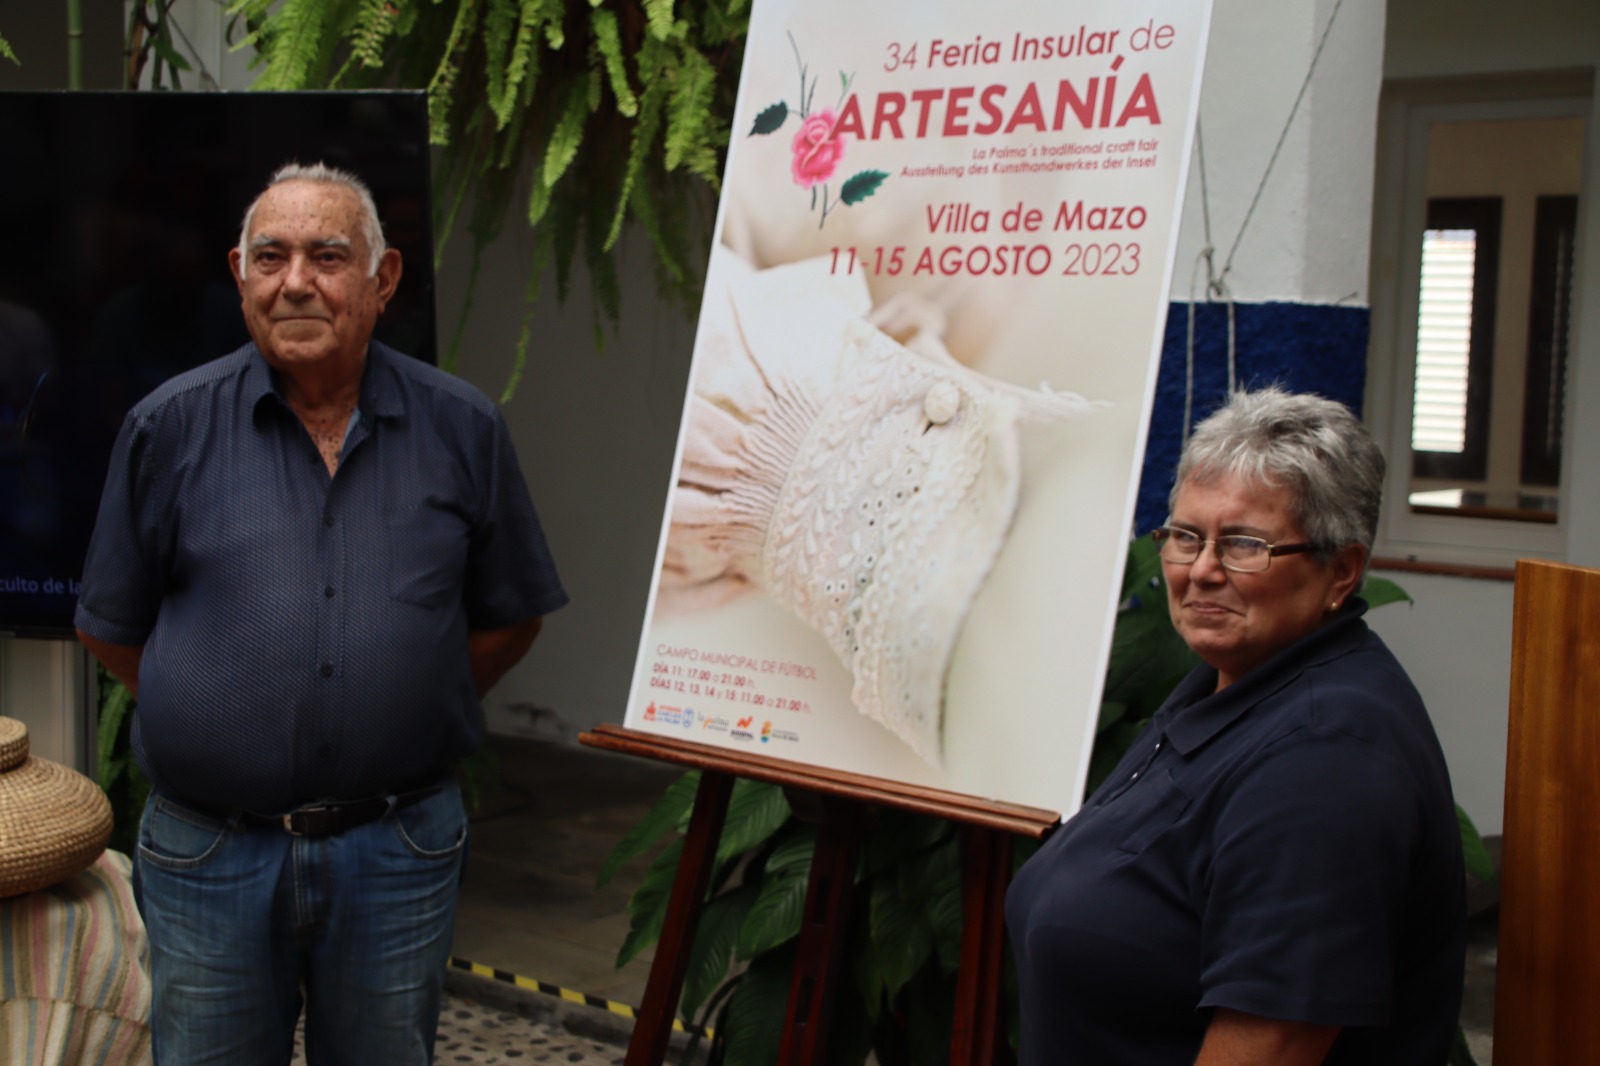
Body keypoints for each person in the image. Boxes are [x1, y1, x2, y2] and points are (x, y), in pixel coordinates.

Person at [73, 162, 568, 1065]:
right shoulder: (168, 429)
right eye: (271, 256)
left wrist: (408, 693)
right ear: (238, 275)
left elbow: (512, 614)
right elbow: (110, 625)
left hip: (396, 850)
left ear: (383, 281)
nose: (295, 280)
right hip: (209, 854)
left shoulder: (462, 429)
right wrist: (213, 703)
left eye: (327, 255)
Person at [1006, 388, 1465, 1065]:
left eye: (1245, 544)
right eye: (1186, 536)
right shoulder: (1232, 683)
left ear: (1341, 570)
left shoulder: (1325, 757)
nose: (1201, 571)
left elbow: (1273, 1041)